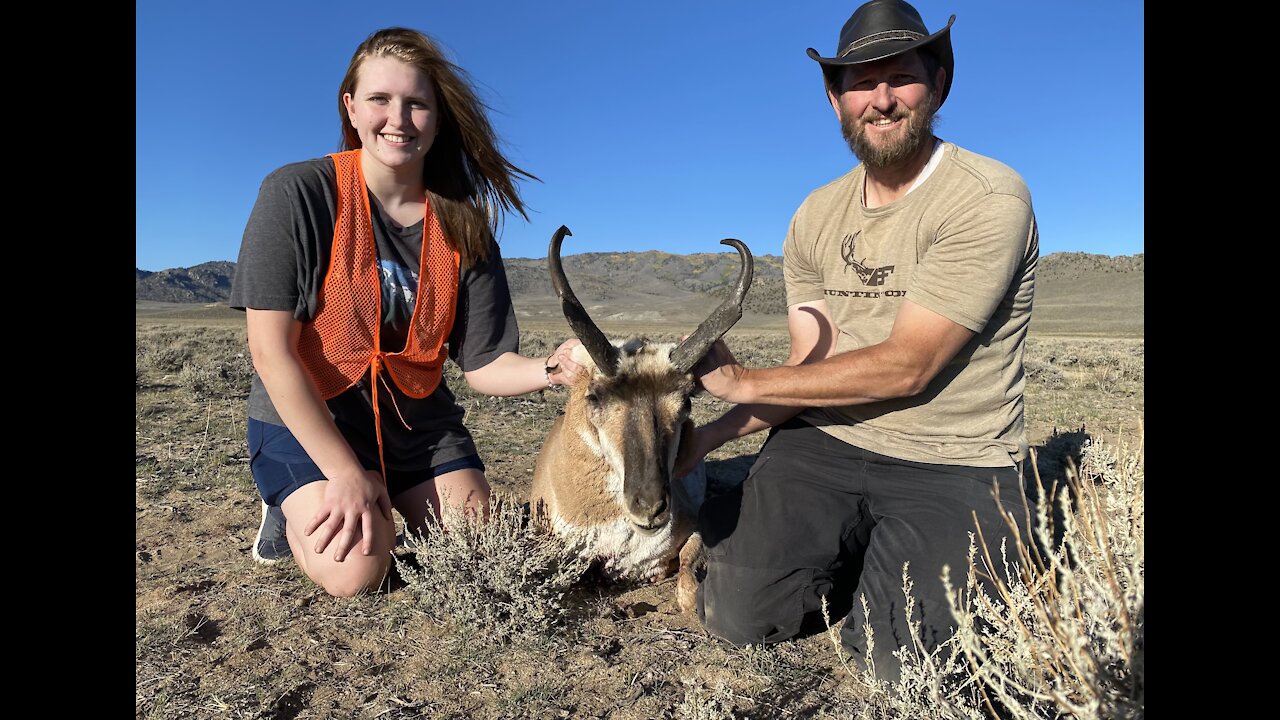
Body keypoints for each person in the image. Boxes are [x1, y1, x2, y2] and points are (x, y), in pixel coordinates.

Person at [680, 0, 1038, 681]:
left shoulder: (987, 196)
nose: (880, 99)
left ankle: (887, 561)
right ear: (834, 99)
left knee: (905, 667)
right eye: (860, 83)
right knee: (737, 615)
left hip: (955, 459)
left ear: (936, 84)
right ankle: (820, 544)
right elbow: (807, 367)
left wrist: (743, 382)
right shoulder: (816, 214)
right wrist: (709, 438)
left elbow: (910, 367)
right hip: (827, 442)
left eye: (899, 77)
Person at [229, 27, 582, 597]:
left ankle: (380, 487)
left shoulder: (465, 225)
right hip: (315, 412)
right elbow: (271, 354)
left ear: (438, 118)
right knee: (359, 571)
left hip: (416, 420)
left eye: (417, 103)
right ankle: (288, 507)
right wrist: (346, 473)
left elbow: (486, 365)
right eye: (380, 99)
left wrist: (552, 369)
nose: (398, 118)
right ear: (350, 105)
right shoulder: (298, 192)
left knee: (476, 547)